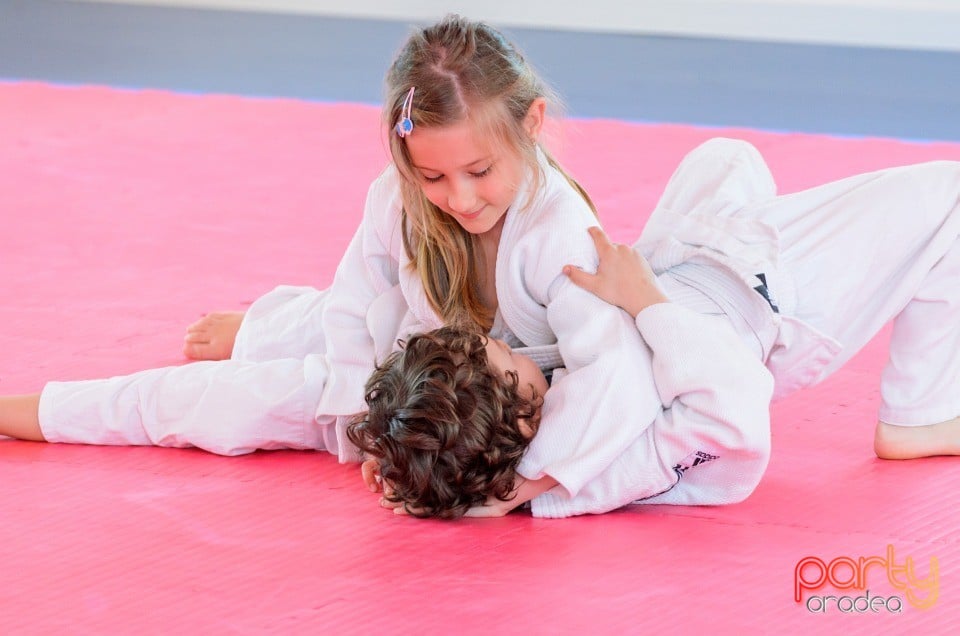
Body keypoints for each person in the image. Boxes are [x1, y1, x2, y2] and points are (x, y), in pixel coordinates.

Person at [0, 16, 627, 468]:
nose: (459, 198)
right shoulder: (397, 195)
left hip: (449, 398)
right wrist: (366, 425)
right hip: (391, 361)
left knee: (224, 403)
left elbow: (609, 379)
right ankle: (38, 408)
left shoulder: (561, 237)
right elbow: (357, 304)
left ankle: (267, 328)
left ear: (533, 125)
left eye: (480, 172)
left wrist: (530, 478)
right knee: (301, 338)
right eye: (432, 175)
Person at [349, 137, 960, 519]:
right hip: (776, 302)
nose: (510, 346)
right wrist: (647, 306)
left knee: (726, 156)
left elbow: (458, 408)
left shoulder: (511, 420)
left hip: (691, 267)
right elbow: (732, 414)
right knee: (949, 198)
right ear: (523, 416)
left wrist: (406, 453)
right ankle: (919, 414)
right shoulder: (599, 466)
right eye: (505, 359)